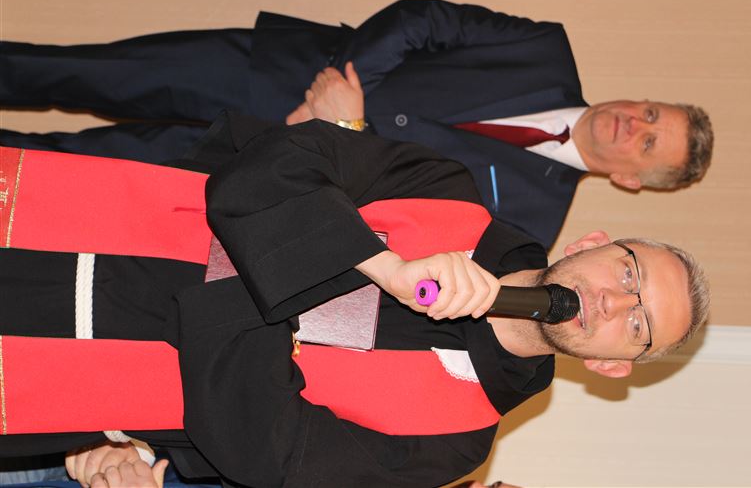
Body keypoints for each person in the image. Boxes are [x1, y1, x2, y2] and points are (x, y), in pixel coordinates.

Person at [0, 115, 708, 487]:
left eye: (637, 323)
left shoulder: (456, 442)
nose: (611, 302)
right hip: (85, 218)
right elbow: (278, 161)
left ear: (613, 365)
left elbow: (266, 451)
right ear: (592, 240)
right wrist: (382, 265)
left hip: (62, 375)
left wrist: (288, 268)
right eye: (628, 272)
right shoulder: (447, 191)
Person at [0, 0, 714, 249]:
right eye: (651, 111)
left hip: (255, 167)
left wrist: (336, 132)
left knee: (75, 166)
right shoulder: (543, 48)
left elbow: (397, 220)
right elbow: (421, 21)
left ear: (632, 181)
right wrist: (336, 87)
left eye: (649, 142)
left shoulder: (527, 223)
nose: (634, 123)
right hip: (266, 69)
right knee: (74, 71)